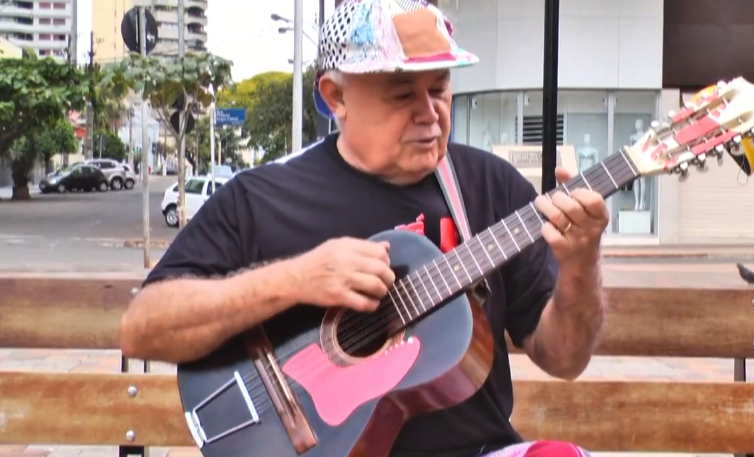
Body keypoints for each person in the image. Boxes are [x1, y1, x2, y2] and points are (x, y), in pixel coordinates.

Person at [120, 1, 608, 456]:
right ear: (336, 97)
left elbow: (564, 360)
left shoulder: (490, 188)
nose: (430, 114)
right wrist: (294, 279)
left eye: (439, 88)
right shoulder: (260, 198)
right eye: (402, 95)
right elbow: (143, 330)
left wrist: (581, 266)